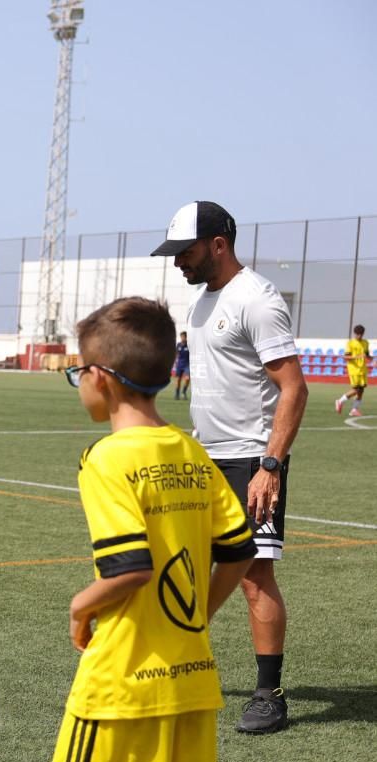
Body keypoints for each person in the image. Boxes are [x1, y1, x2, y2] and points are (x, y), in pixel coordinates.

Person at [43, 297, 256, 762]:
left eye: (77, 372)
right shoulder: (189, 450)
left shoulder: (108, 458)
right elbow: (237, 551)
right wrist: (193, 616)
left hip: (124, 674)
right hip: (190, 671)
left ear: (102, 378)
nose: (78, 385)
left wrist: (78, 606)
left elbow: (128, 567)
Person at [152, 200, 307, 734]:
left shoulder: (256, 299)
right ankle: (182, 661)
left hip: (250, 459)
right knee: (190, 566)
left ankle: (270, 694)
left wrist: (271, 465)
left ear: (218, 243)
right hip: (207, 458)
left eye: (185, 251)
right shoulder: (202, 302)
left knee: (254, 576)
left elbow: (294, 388)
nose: (178, 263)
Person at [335, 324, 367, 417]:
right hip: (354, 370)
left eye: (361, 334)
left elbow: (367, 355)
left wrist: (373, 359)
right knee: (356, 389)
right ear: (355, 334)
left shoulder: (365, 343)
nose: (359, 336)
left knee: (361, 390)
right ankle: (340, 401)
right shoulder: (350, 343)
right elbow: (346, 356)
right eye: (358, 334)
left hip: (362, 370)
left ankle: (354, 409)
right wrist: (356, 357)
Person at [172, 331, 190, 400]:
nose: (182, 338)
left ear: (186, 337)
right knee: (178, 380)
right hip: (179, 364)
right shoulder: (178, 345)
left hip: (187, 364)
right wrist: (175, 363)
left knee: (187, 378)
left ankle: (184, 392)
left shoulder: (189, 345)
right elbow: (176, 354)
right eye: (181, 337)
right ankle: (177, 394)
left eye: (183, 337)